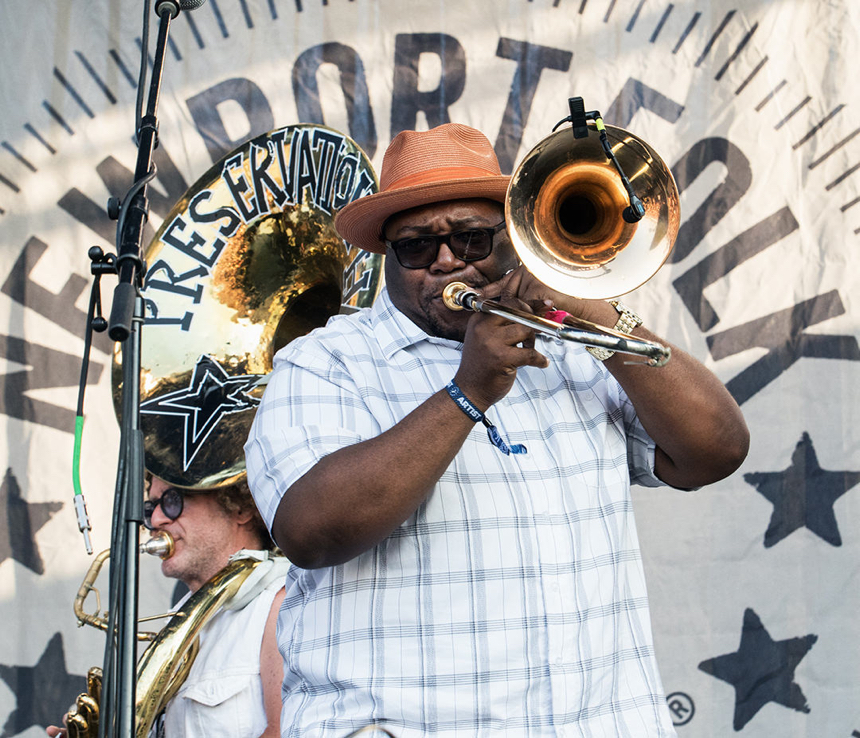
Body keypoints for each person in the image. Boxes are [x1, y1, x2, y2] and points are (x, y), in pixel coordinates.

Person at [245, 123, 750, 737]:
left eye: (473, 238)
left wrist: (595, 312)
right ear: (387, 259)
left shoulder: (574, 347)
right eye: (415, 248)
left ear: (516, 238)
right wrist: (469, 390)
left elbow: (716, 450)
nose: (447, 260)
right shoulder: (327, 361)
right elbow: (310, 532)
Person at [48, 475, 287, 738]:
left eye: (173, 501)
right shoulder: (182, 617)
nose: (156, 522)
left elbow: (288, 733)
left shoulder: (280, 600)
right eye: (149, 509)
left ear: (240, 506)